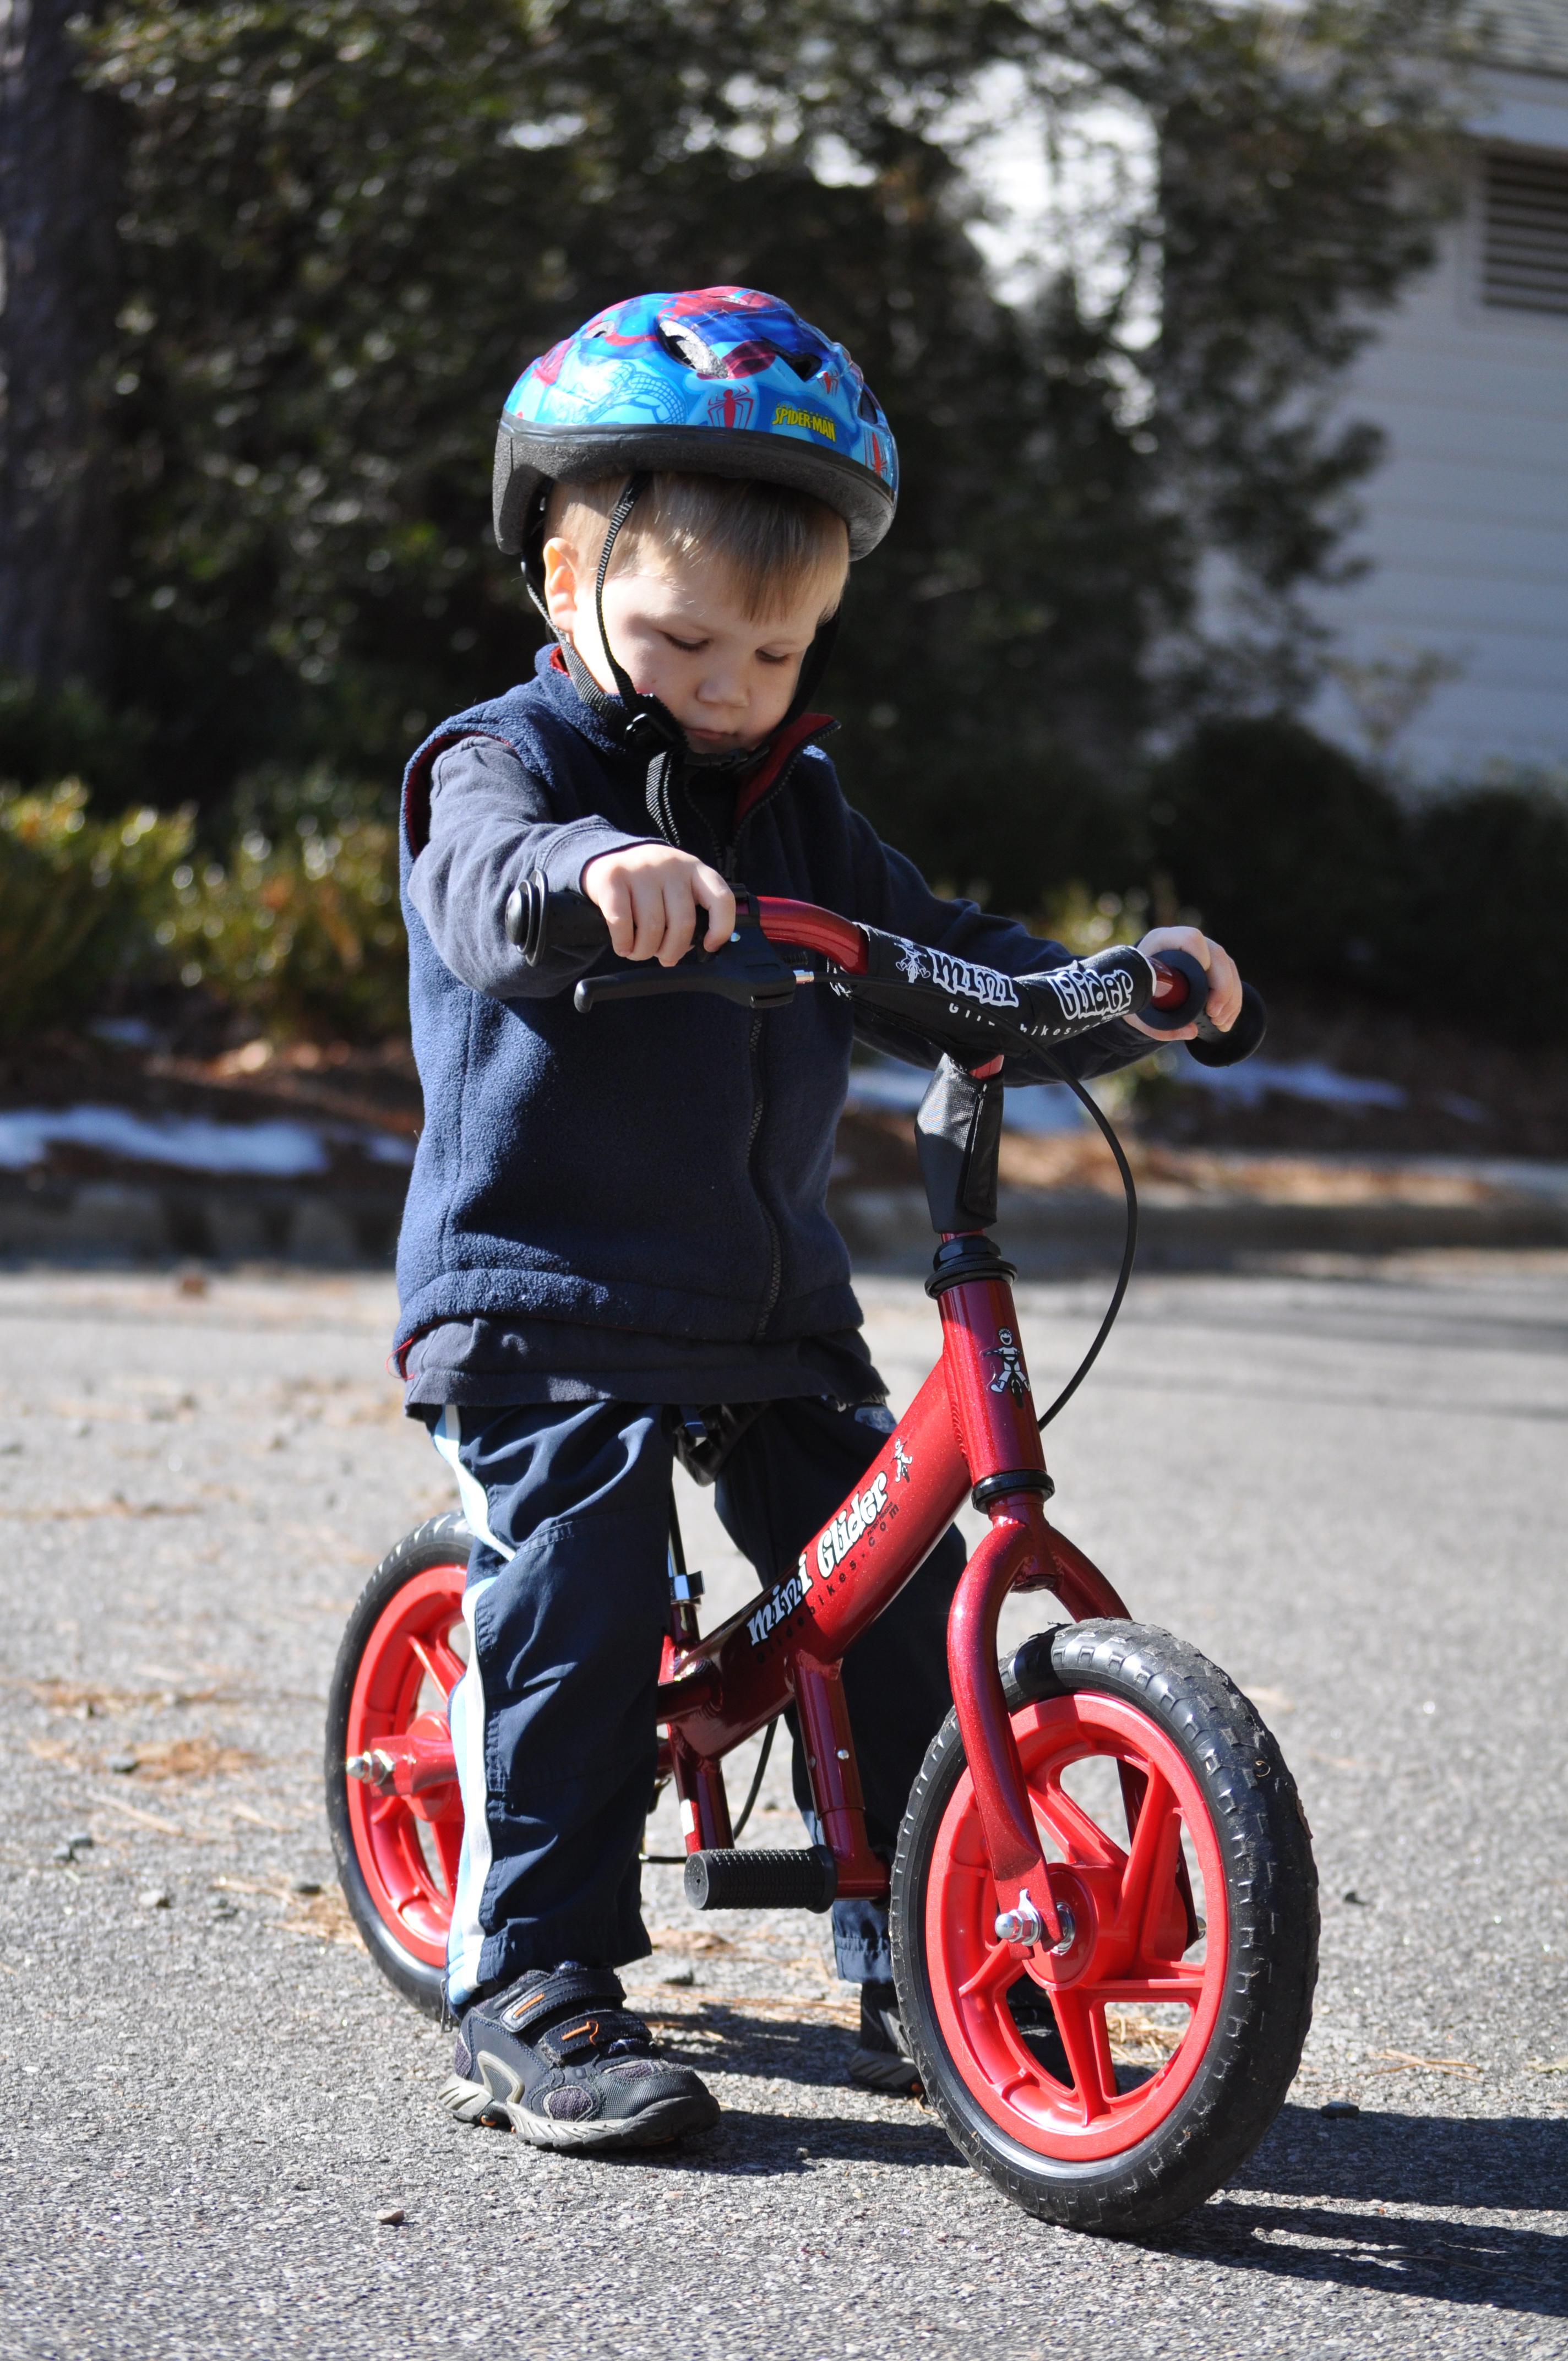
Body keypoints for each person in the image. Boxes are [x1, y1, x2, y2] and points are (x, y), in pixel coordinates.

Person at [394, 286, 1240, 2153]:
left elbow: (943, 956)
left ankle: (917, 1932)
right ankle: (526, 1981)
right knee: (586, 1602)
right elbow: (483, 885)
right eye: (683, 636)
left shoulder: (804, 810)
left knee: (901, 1582)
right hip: (542, 1297)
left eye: (768, 658)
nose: (723, 688)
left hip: (762, 1307)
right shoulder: (501, 761)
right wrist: (597, 873)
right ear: (563, 579)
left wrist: (1115, 984)